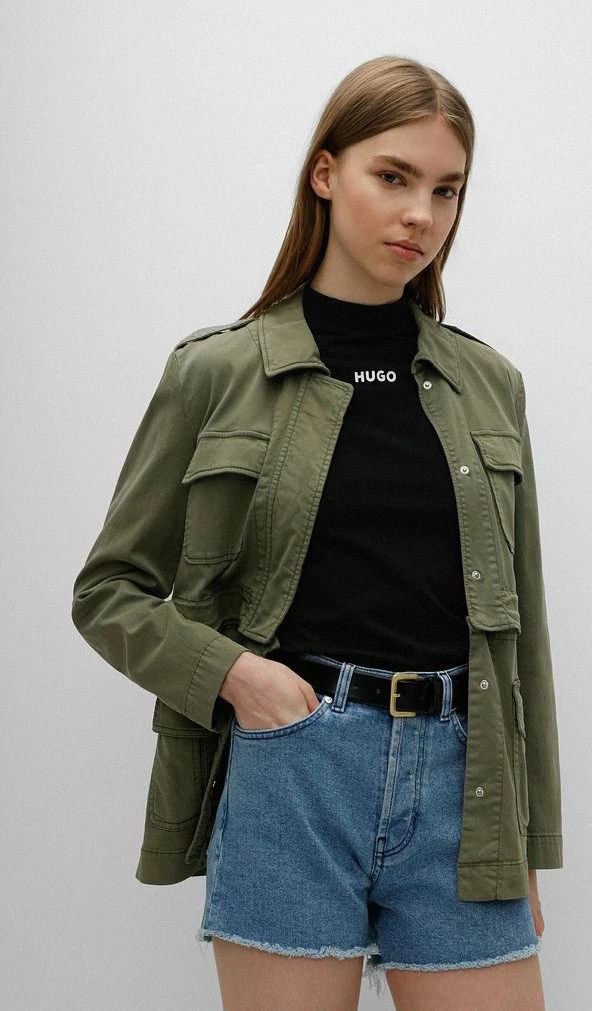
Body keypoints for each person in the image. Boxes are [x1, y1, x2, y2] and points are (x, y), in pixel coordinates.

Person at [72, 55, 563, 1011]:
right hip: (293, 769)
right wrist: (236, 675)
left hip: (465, 786)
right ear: (326, 173)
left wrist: (525, 841)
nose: (421, 214)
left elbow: (525, 634)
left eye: (446, 189)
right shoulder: (218, 372)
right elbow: (108, 592)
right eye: (394, 176)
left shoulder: (489, 385)